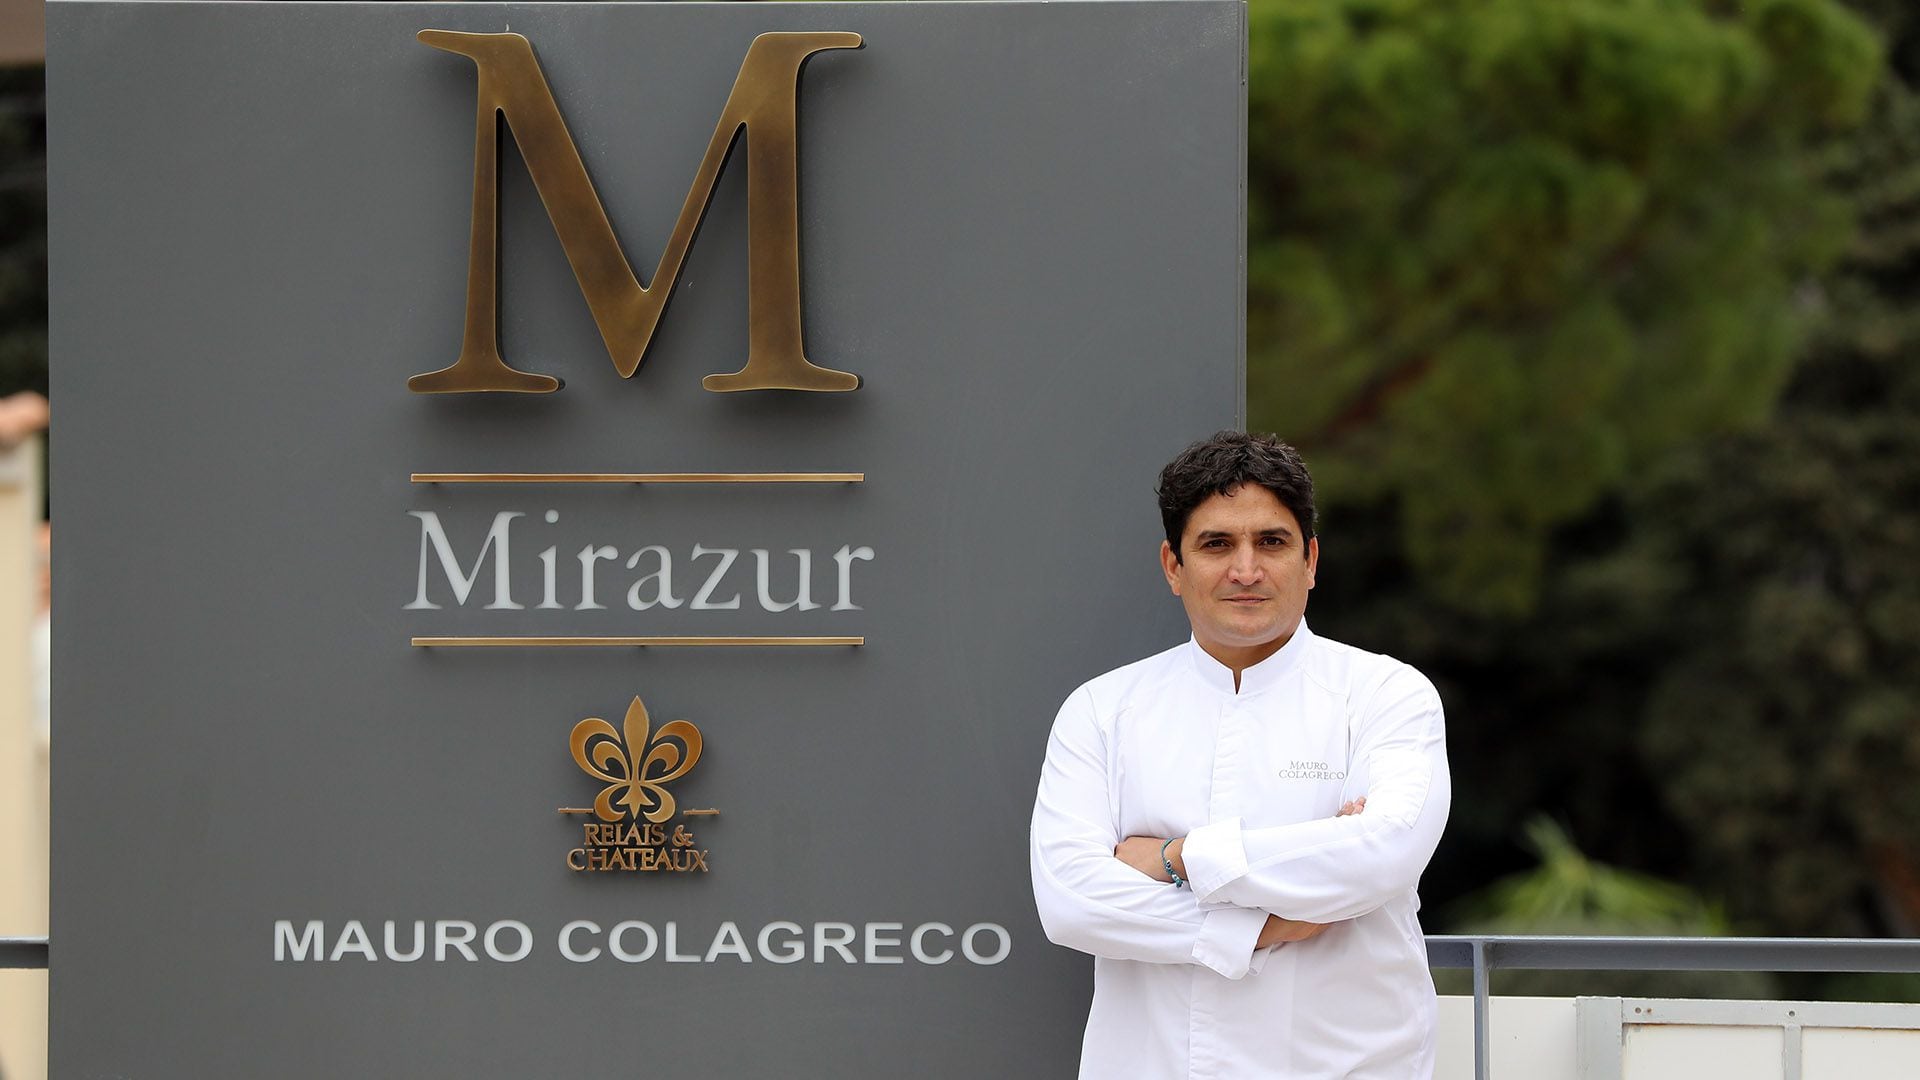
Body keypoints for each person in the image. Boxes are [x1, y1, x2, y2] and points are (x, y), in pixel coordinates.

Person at [1030, 431, 1450, 1079]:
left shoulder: (1387, 695)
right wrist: (1262, 925)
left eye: (1272, 542)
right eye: (1217, 544)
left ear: (1311, 560)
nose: (1246, 570)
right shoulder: (1103, 710)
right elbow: (1072, 903)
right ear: (1173, 567)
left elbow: (1385, 853)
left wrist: (1173, 857)